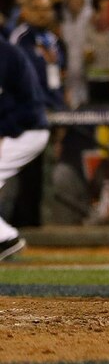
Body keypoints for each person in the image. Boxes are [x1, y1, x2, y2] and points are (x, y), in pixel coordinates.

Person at [0, 38, 49, 261]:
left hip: (26, 131)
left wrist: (4, 132)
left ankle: (6, 238)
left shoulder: (5, 52)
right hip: (19, 128)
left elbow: (18, 106)